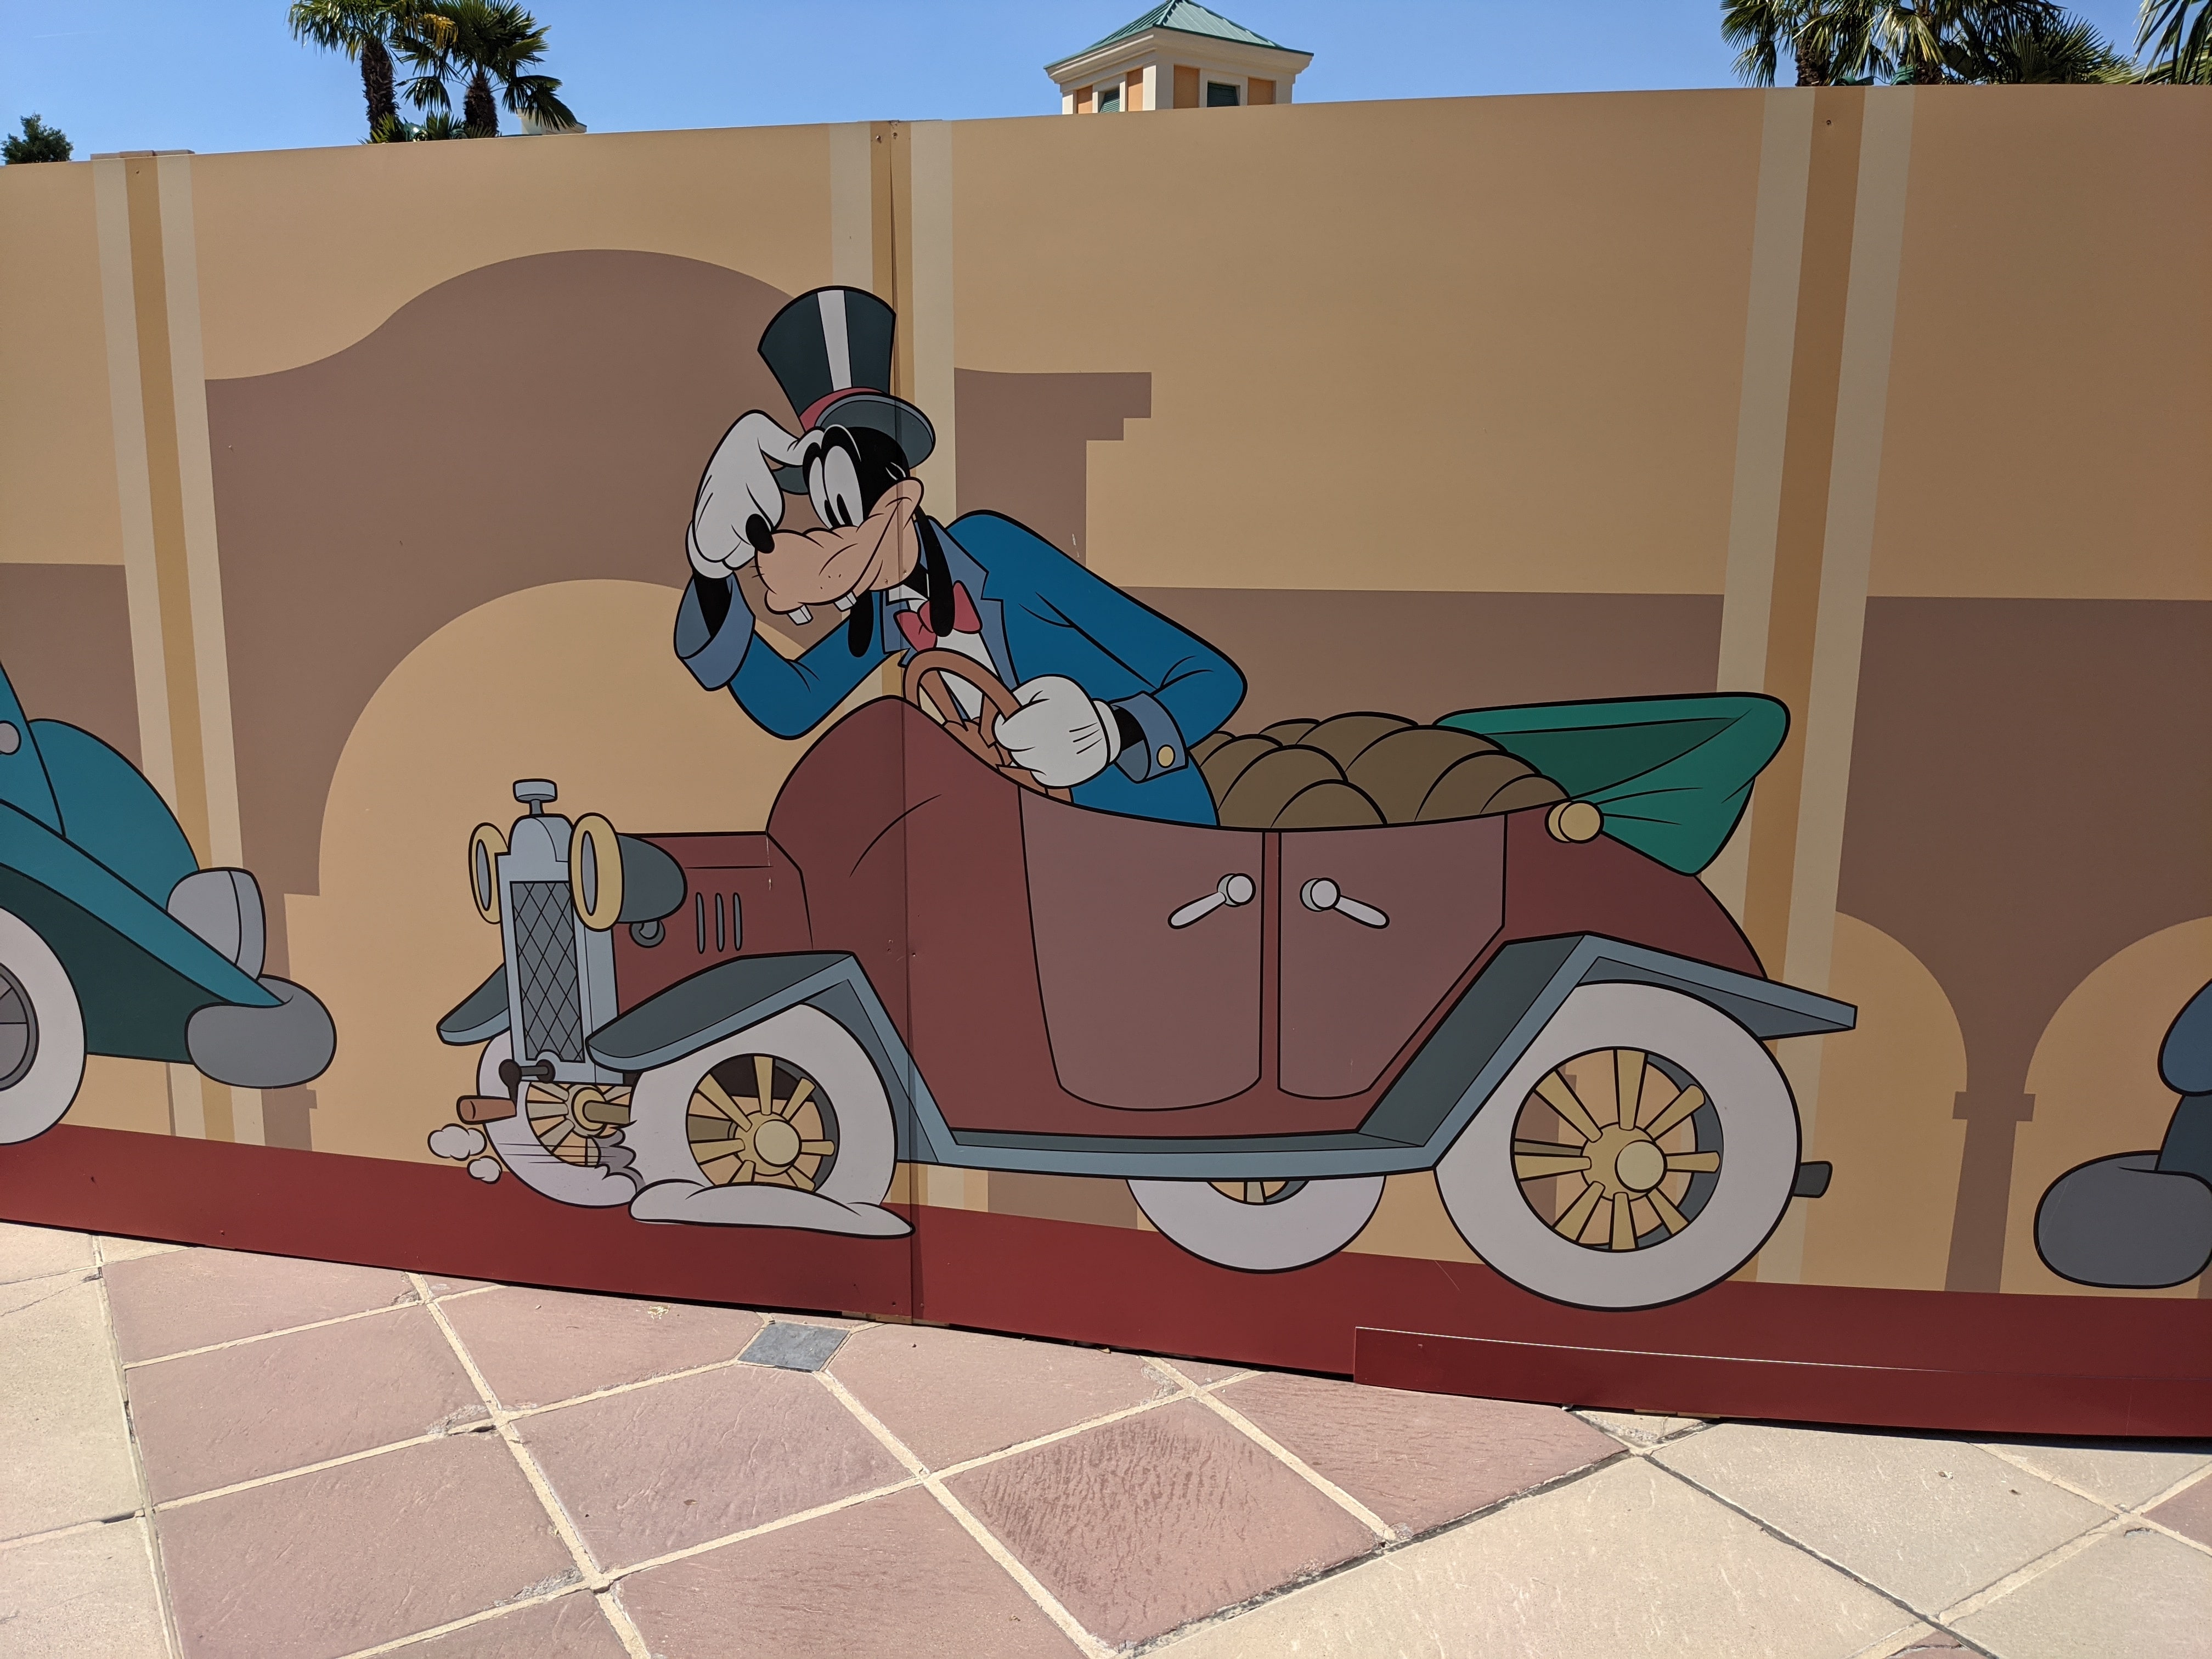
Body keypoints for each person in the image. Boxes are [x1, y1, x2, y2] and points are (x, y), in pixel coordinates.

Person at [674, 287, 1242, 827]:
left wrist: (1112, 731)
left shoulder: (997, 553)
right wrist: (711, 573)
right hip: (1024, 847)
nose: (829, 535)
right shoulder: (887, 613)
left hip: (1157, 829)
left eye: (845, 506)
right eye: (825, 512)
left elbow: (1212, 679)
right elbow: (792, 705)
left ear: (902, 497)